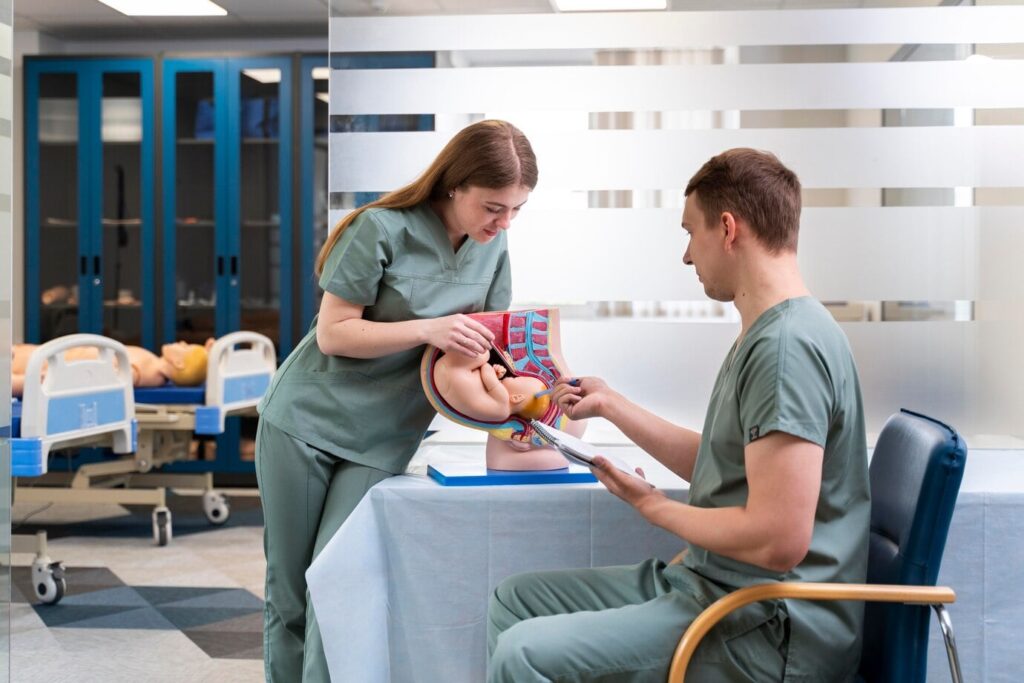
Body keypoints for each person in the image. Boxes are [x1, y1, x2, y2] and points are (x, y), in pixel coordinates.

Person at [487, 148, 871, 682]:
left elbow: (780, 537)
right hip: (717, 588)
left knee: (522, 654)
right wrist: (613, 406)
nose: (687, 256)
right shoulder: (769, 332)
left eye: (691, 232)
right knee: (516, 602)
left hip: (765, 624)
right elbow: (726, 468)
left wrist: (652, 507)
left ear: (729, 229)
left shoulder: (786, 349)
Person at [255, 119, 538, 682]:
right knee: (290, 588)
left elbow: (492, 345)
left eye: (515, 210)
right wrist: (427, 329)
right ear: (454, 185)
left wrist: (539, 394)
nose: (503, 222)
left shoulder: (493, 246)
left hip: (384, 434)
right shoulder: (379, 228)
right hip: (306, 421)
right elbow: (335, 333)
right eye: (492, 207)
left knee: (339, 585)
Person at [11, 339, 209, 396]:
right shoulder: (154, 365)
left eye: (186, 347)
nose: (182, 342)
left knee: (25, 371)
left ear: (179, 364)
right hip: (53, 358)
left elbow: (114, 378)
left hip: (49, 367)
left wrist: (55, 377)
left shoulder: (147, 372)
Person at [432, 347, 550, 422]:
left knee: (484, 353)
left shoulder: (503, 398)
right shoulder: (502, 415)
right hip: (443, 385)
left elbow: (486, 372)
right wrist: (496, 377)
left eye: (517, 379)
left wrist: (489, 368)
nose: (513, 376)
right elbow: (487, 386)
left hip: (450, 371)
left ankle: (449, 349)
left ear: (516, 398)